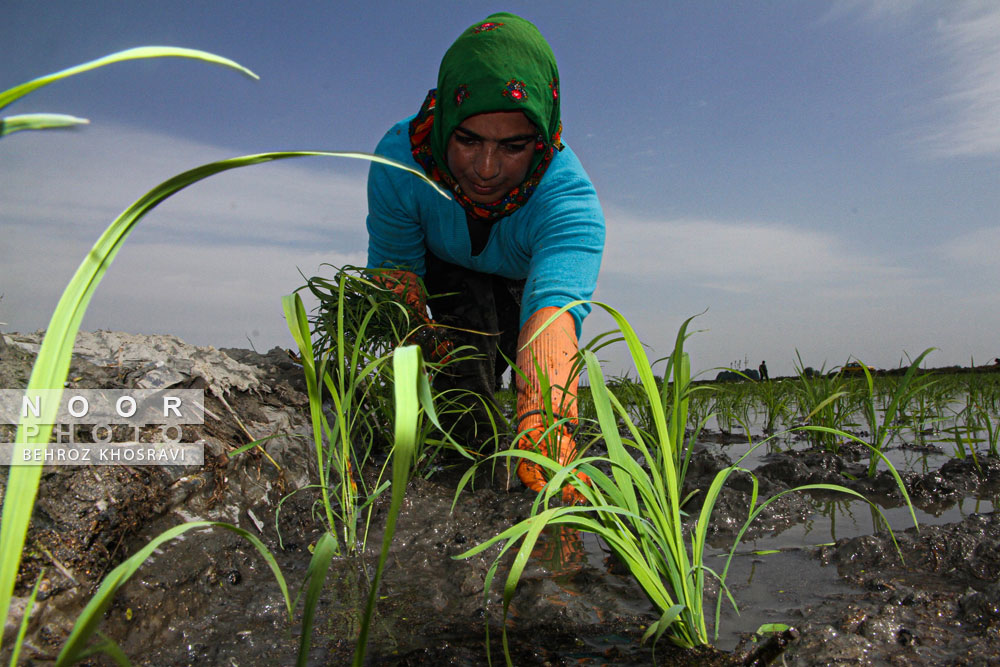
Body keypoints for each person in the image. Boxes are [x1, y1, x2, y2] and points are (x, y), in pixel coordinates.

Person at [365, 13, 605, 502]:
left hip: (524, 291)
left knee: (539, 420)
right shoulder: (398, 165)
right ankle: (459, 470)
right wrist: (425, 354)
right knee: (463, 407)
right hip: (445, 282)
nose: (487, 169)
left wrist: (545, 412)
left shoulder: (568, 201)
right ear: (445, 124)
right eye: (468, 140)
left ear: (540, 140)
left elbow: (553, 319)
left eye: (513, 146)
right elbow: (395, 281)